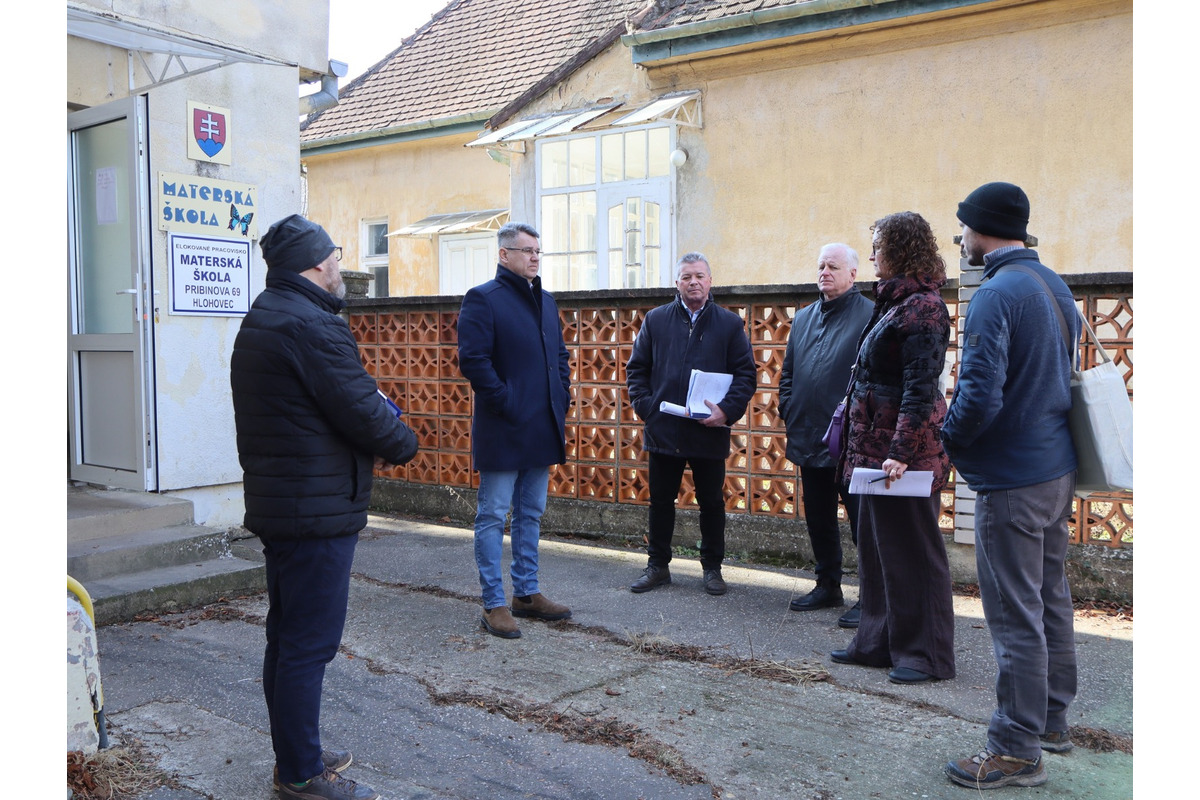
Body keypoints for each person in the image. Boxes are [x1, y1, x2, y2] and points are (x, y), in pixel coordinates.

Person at [231, 214, 418, 800]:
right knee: (307, 645)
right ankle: (301, 774)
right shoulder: (311, 326)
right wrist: (404, 440)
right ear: (315, 265)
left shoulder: (265, 316)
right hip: (313, 512)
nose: (341, 266)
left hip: (286, 505)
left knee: (287, 639)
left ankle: (296, 752)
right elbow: (364, 410)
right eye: (335, 256)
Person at [942, 182, 1080, 790]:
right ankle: (1050, 720)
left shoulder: (995, 294)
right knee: (1049, 598)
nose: (962, 242)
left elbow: (978, 395)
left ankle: (1016, 750)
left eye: (963, 230)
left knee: (1015, 614)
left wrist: (949, 438)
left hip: (1012, 481)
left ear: (982, 229)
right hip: (1055, 469)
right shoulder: (1054, 285)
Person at [831, 211, 955, 686]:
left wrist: (901, 451)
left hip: (903, 457)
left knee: (915, 555)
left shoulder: (923, 307)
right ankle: (876, 643)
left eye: (878, 247)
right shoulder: (893, 302)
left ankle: (925, 656)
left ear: (901, 250)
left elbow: (920, 388)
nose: (872, 256)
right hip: (872, 451)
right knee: (879, 552)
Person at [457, 222, 573, 639]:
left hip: (542, 426)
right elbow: (473, 361)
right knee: (492, 515)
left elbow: (559, 355)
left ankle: (526, 593)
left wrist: (560, 396)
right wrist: (507, 402)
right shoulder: (483, 299)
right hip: (504, 427)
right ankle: (494, 603)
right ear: (504, 254)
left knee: (531, 513)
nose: (535, 257)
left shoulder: (545, 300)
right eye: (526, 251)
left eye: (538, 250)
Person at [625, 252, 757, 596]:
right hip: (663, 428)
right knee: (660, 501)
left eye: (699, 276)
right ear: (677, 283)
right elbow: (636, 371)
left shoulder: (729, 325)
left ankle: (713, 569)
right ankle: (657, 566)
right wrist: (649, 410)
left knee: (711, 502)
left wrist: (726, 411)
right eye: (686, 277)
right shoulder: (655, 320)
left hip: (709, 429)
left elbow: (746, 375)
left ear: (710, 281)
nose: (693, 282)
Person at [778, 243, 873, 625]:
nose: (824, 272)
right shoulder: (802, 319)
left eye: (833, 266)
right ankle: (827, 585)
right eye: (820, 266)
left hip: (851, 440)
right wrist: (790, 409)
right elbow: (788, 374)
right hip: (807, 434)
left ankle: (872, 597)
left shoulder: (869, 315)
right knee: (818, 517)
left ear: (853, 274)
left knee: (862, 523)